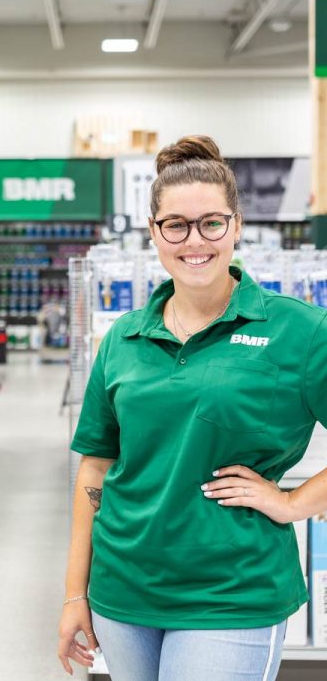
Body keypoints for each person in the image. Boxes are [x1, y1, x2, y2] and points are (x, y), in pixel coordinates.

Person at [58, 135, 327, 681]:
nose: (194, 240)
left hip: (232, 591)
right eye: (175, 225)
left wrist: (292, 502)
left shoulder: (299, 330)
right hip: (123, 591)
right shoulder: (123, 339)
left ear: (237, 224)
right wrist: (73, 595)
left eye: (212, 222)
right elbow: (96, 466)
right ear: (154, 232)